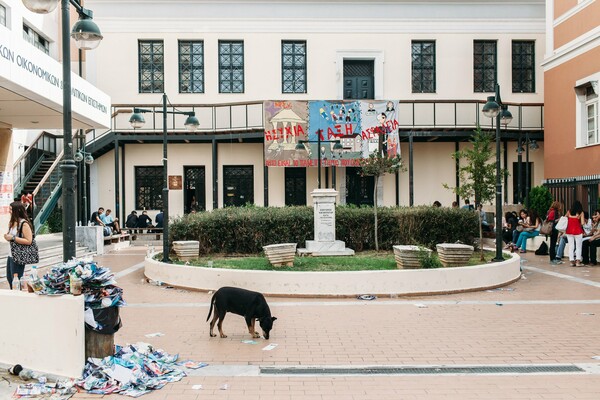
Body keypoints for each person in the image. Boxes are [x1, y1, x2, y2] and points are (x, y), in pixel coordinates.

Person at [3, 202, 35, 289]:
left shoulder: (24, 224)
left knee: (16, 279)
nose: (9, 211)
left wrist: (13, 238)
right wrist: (7, 237)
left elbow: (29, 240)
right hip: (11, 254)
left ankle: (18, 297)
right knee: (10, 278)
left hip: (19, 254)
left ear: (16, 211)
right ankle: (15, 297)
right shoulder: (12, 222)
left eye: (11, 209)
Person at [565, 200, 585, 267]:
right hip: (578, 231)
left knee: (571, 246)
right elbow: (582, 223)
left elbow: (565, 218)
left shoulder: (569, 212)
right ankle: (578, 262)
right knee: (578, 246)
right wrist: (578, 218)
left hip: (569, 231)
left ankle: (571, 261)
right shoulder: (581, 213)